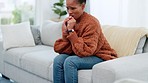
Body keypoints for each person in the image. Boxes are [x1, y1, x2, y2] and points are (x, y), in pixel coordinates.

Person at [53, 0, 118, 83]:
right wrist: (65, 33)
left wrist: (71, 31)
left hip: (100, 55)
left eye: (73, 8)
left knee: (70, 62)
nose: (69, 12)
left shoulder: (91, 23)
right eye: (67, 8)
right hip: (82, 52)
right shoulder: (71, 22)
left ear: (83, 7)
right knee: (58, 60)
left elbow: (87, 51)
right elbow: (63, 49)